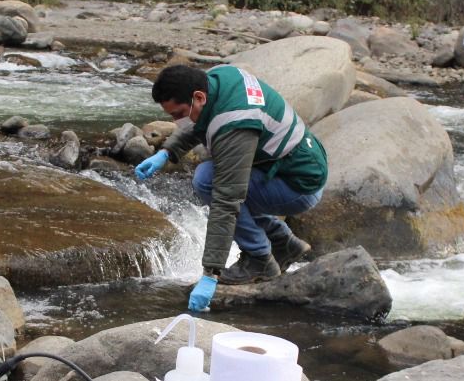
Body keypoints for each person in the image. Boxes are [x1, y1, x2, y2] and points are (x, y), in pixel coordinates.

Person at [135, 63, 327, 312]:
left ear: (199, 97)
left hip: (298, 185)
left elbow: (227, 201)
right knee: (208, 177)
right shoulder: (217, 78)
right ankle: (282, 242)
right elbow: (200, 122)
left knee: (208, 182)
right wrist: (167, 152)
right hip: (290, 167)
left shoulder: (236, 122)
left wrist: (210, 274)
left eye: (178, 113)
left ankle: (260, 259)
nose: (176, 121)